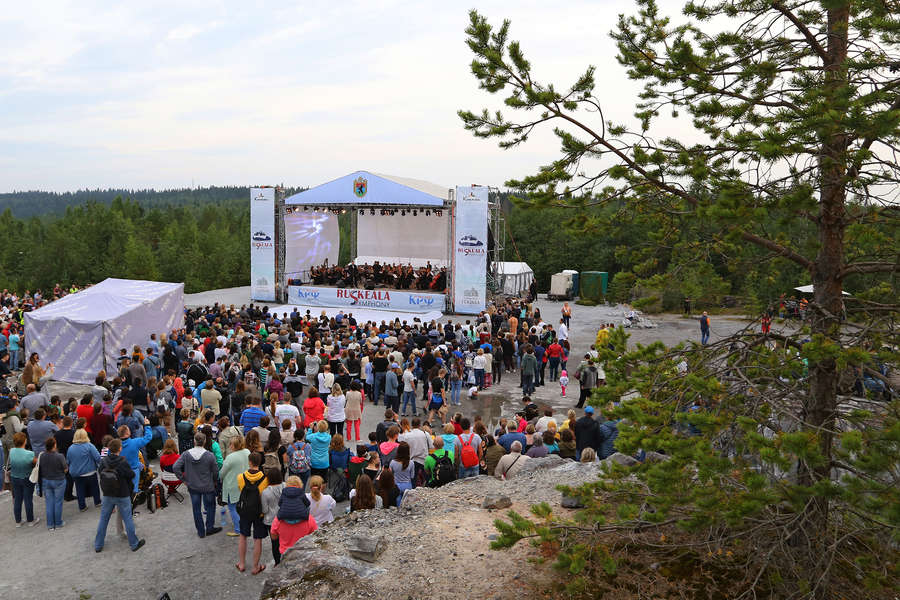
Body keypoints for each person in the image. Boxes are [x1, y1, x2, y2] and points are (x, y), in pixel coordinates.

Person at [94, 438, 146, 552]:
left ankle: (98, 545)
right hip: (122, 493)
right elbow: (131, 475)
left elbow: (100, 472)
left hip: (108, 493)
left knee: (103, 519)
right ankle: (134, 543)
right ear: (120, 449)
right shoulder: (122, 462)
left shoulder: (104, 461)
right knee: (127, 519)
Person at [173, 432, 223, 538]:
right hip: (207, 486)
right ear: (204, 442)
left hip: (193, 486)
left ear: (194, 441)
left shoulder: (186, 454)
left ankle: (201, 531)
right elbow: (215, 471)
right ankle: (209, 527)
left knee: (196, 509)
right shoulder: (210, 455)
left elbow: (176, 467)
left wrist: (183, 480)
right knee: (210, 506)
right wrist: (214, 481)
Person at [236, 452, 269, 575]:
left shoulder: (240, 477)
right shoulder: (265, 479)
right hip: (259, 512)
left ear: (249, 462)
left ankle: (242, 563)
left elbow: (240, 490)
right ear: (260, 462)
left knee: (243, 536)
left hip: (245, 511)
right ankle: (255, 566)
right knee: (257, 539)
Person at [270, 476, 318, 557]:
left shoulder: (278, 520)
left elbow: (274, 537)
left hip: (285, 554)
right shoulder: (309, 519)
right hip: (303, 555)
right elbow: (315, 536)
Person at [220, 436, 250, 537]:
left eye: (231, 444)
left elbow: (222, 473)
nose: (229, 446)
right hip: (244, 484)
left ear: (234, 445)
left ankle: (238, 529)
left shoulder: (230, 457)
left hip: (232, 485)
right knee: (242, 507)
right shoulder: (247, 452)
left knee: (232, 508)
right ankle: (243, 525)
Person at [8, 432, 40, 527]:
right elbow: (35, 463)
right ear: (25, 441)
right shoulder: (30, 453)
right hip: (26, 478)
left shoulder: (11, 451)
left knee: (17, 499)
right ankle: (30, 520)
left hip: (14, 477)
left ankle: (18, 521)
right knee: (28, 499)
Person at [67, 429, 101, 512]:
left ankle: (82, 506)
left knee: (79, 490)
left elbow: (68, 461)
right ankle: (97, 502)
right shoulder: (89, 446)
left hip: (77, 473)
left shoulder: (71, 448)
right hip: (90, 471)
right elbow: (97, 457)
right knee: (95, 487)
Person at [39, 436, 68, 529]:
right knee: (58, 502)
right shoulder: (60, 456)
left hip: (46, 480)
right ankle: (58, 523)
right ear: (54, 445)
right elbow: (65, 469)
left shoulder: (42, 455)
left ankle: (50, 524)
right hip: (59, 480)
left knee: (49, 503)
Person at [261, 467, 285, 565]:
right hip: (284, 518)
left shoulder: (265, 492)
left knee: (275, 543)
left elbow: (264, 510)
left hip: (271, 521)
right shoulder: (286, 486)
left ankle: (277, 562)